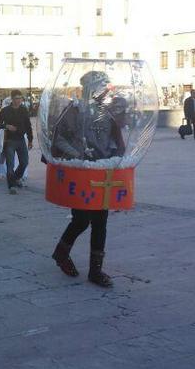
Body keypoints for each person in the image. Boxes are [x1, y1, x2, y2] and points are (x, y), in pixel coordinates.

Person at [50, 70, 126, 288]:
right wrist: (77, 155)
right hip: (81, 171)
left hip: (102, 171)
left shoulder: (108, 112)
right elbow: (59, 138)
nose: (104, 91)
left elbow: (115, 140)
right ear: (88, 89)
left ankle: (95, 270)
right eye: (100, 86)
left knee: (101, 221)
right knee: (82, 219)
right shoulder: (74, 110)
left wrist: (117, 157)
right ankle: (61, 253)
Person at [0, 90, 33, 194]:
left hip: (21, 139)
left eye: (20, 98)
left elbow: (28, 125)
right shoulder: (5, 110)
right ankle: (11, 185)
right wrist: (6, 126)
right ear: (12, 99)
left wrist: (30, 139)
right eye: (16, 98)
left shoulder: (24, 110)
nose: (18, 101)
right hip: (10, 140)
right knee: (10, 164)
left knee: (24, 162)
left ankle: (15, 178)